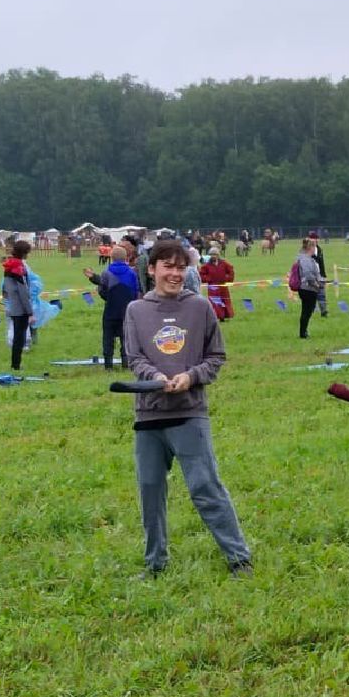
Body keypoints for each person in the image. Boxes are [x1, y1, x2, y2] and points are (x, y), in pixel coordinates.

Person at [123, 237, 252, 578]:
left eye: (181, 267)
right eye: (168, 266)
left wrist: (191, 377)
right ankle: (155, 564)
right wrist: (157, 377)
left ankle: (239, 559)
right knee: (150, 490)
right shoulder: (136, 310)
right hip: (149, 415)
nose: (175, 274)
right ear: (151, 269)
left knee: (204, 487)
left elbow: (216, 357)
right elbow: (134, 357)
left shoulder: (199, 307)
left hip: (189, 412)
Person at [83, 244, 142, 369]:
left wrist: (107, 298)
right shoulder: (131, 273)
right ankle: (126, 364)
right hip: (126, 311)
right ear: (125, 257)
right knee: (125, 337)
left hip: (110, 310)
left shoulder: (106, 272)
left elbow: (102, 290)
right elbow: (136, 291)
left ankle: (108, 364)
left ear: (111, 257)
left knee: (108, 337)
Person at [1, 241, 34, 371]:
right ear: (23, 252)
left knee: (18, 336)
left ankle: (15, 364)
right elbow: (23, 291)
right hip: (20, 308)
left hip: (13, 305)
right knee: (19, 338)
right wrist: (30, 311)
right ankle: (16, 365)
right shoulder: (18, 266)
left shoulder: (9, 264)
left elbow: (6, 287)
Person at [294, 239, 323, 339]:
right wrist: (316, 284)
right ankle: (303, 333)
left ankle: (303, 331)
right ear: (310, 247)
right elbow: (308, 274)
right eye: (314, 247)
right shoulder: (305, 259)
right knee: (307, 310)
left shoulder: (306, 258)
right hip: (307, 288)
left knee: (307, 310)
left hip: (308, 288)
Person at [200, 244, 235, 322]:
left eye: (215, 254)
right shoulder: (206, 265)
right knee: (215, 302)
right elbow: (201, 275)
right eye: (211, 254)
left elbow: (231, 271)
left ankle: (226, 315)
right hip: (213, 288)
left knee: (224, 301)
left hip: (223, 287)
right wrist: (208, 279)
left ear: (218, 255)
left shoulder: (224, 263)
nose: (213, 256)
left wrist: (227, 278)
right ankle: (218, 317)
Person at [307, 231, 329, 317]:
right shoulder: (306, 250)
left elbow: (321, 263)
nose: (314, 240)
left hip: (320, 275)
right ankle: (312, 311)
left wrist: (323, 275)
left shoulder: (319, 249)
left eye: (315, 238)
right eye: (311, 238)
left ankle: (324, 311)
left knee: (322, 294)